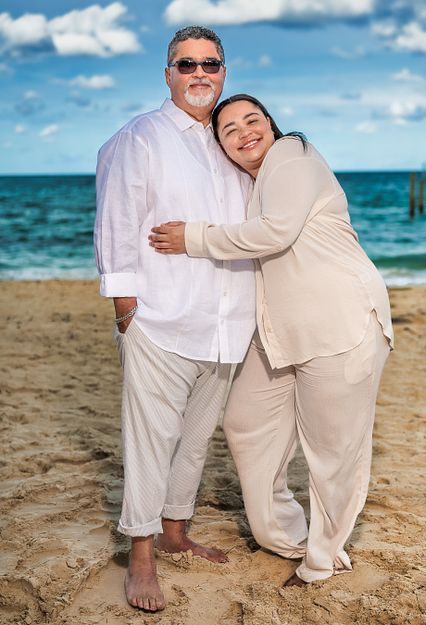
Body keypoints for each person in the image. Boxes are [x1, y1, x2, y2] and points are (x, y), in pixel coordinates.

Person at [148, 94, 394, 587]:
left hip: (340, 323)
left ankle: (321, 561)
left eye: (252, 120)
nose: (244, 132)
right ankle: (284, 534)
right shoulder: (254, 181)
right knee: (245, 424)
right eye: (229, 130)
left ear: (271, 124)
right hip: (279, 331)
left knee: (332, 453)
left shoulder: (292, 155)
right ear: (222, 146)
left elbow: (275, 233)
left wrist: (193, 238)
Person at [94, 32, 256, 611]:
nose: (199, 73)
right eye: (187, 64)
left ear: (224, 71)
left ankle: (175, 531)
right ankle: (141, 556)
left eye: (210, 64)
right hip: (160, 317)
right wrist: (125, 307)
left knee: (194, 440)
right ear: (168, 74)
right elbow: (116, 220)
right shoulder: (141, 137)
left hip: (227, 322)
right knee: (150, 440)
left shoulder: (229, 143)